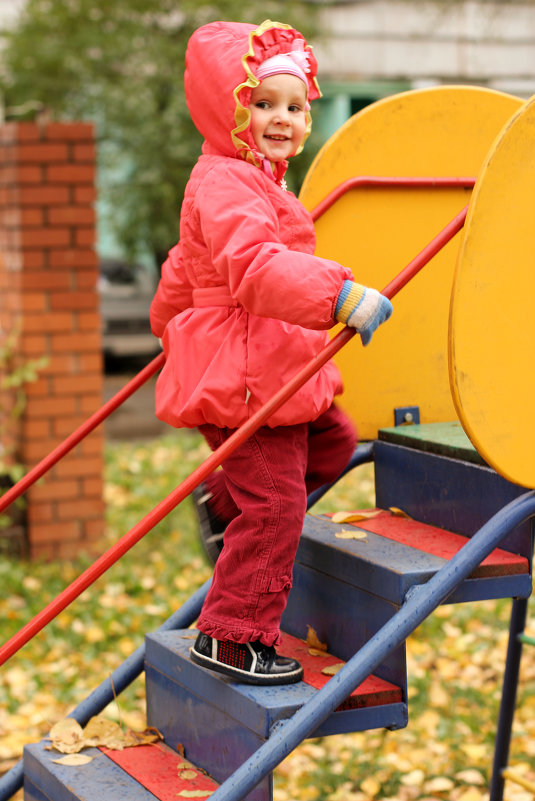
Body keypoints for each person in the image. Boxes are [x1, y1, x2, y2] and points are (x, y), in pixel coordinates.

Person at [150, 19, 393, 686]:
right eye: (261, 104)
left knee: (332, 442)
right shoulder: (228, 182)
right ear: (226, 109)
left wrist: (168, 320)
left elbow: (185, 264)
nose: (280, 118)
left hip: (269, 366)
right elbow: (255, 268)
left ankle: (223, 502)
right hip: (248, 375)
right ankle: (231, 637)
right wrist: (338, 294)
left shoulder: (251, 176)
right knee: (278, 506)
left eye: (293, 105)